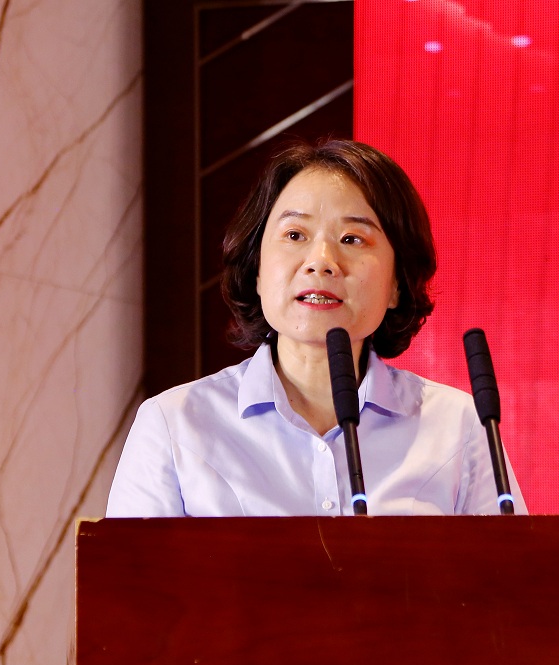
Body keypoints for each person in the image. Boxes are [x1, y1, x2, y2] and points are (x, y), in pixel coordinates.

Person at [106, 138, 527, 517]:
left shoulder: (458, 426)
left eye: (352, 239)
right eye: (295, 235)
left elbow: (514, 577)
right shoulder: (175, 424)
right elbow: (131, 580)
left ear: (397, 284)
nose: (321, 261)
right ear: (257, 270)